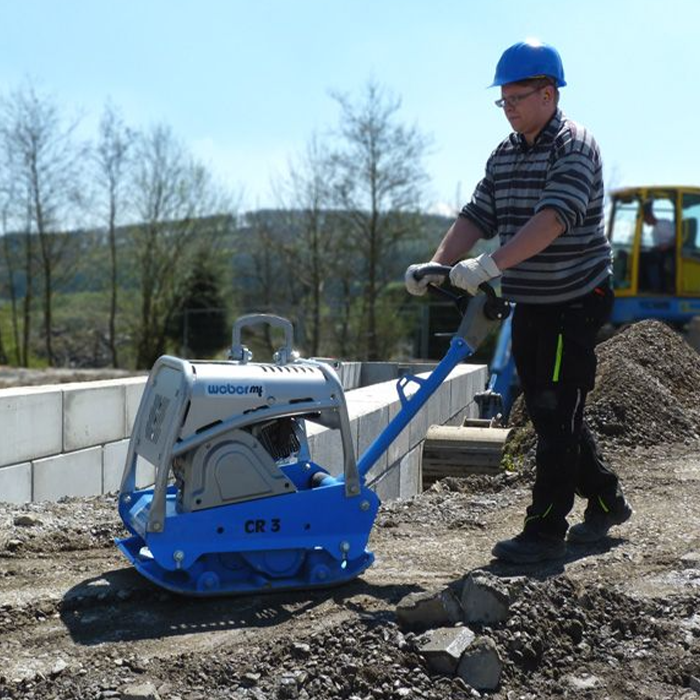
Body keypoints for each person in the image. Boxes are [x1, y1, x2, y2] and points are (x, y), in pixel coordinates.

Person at [405, 39, 632, 564]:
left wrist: (489, 266)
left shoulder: (574, 146)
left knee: (555, 409)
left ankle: (545, 531)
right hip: (532, 299)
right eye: (502, 98)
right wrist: (437, 264)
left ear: (548, 94)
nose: (508, 106)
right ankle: (606, 498)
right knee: (552, 410)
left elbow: (552, 220)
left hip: (577, 295)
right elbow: (476, 215)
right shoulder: (505, 155)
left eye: (517, 96)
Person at [641, 200, 675, 293]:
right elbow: (658, 246)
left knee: (651, 259)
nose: (644, 222)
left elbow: (678, 238)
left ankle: (656, 287)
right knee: (644, 255)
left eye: (644, 219)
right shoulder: (654, 231)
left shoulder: (664, 224)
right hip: (662, 251)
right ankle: (647, 286)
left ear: (649, 217)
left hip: (672, 251)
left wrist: (668, 245)